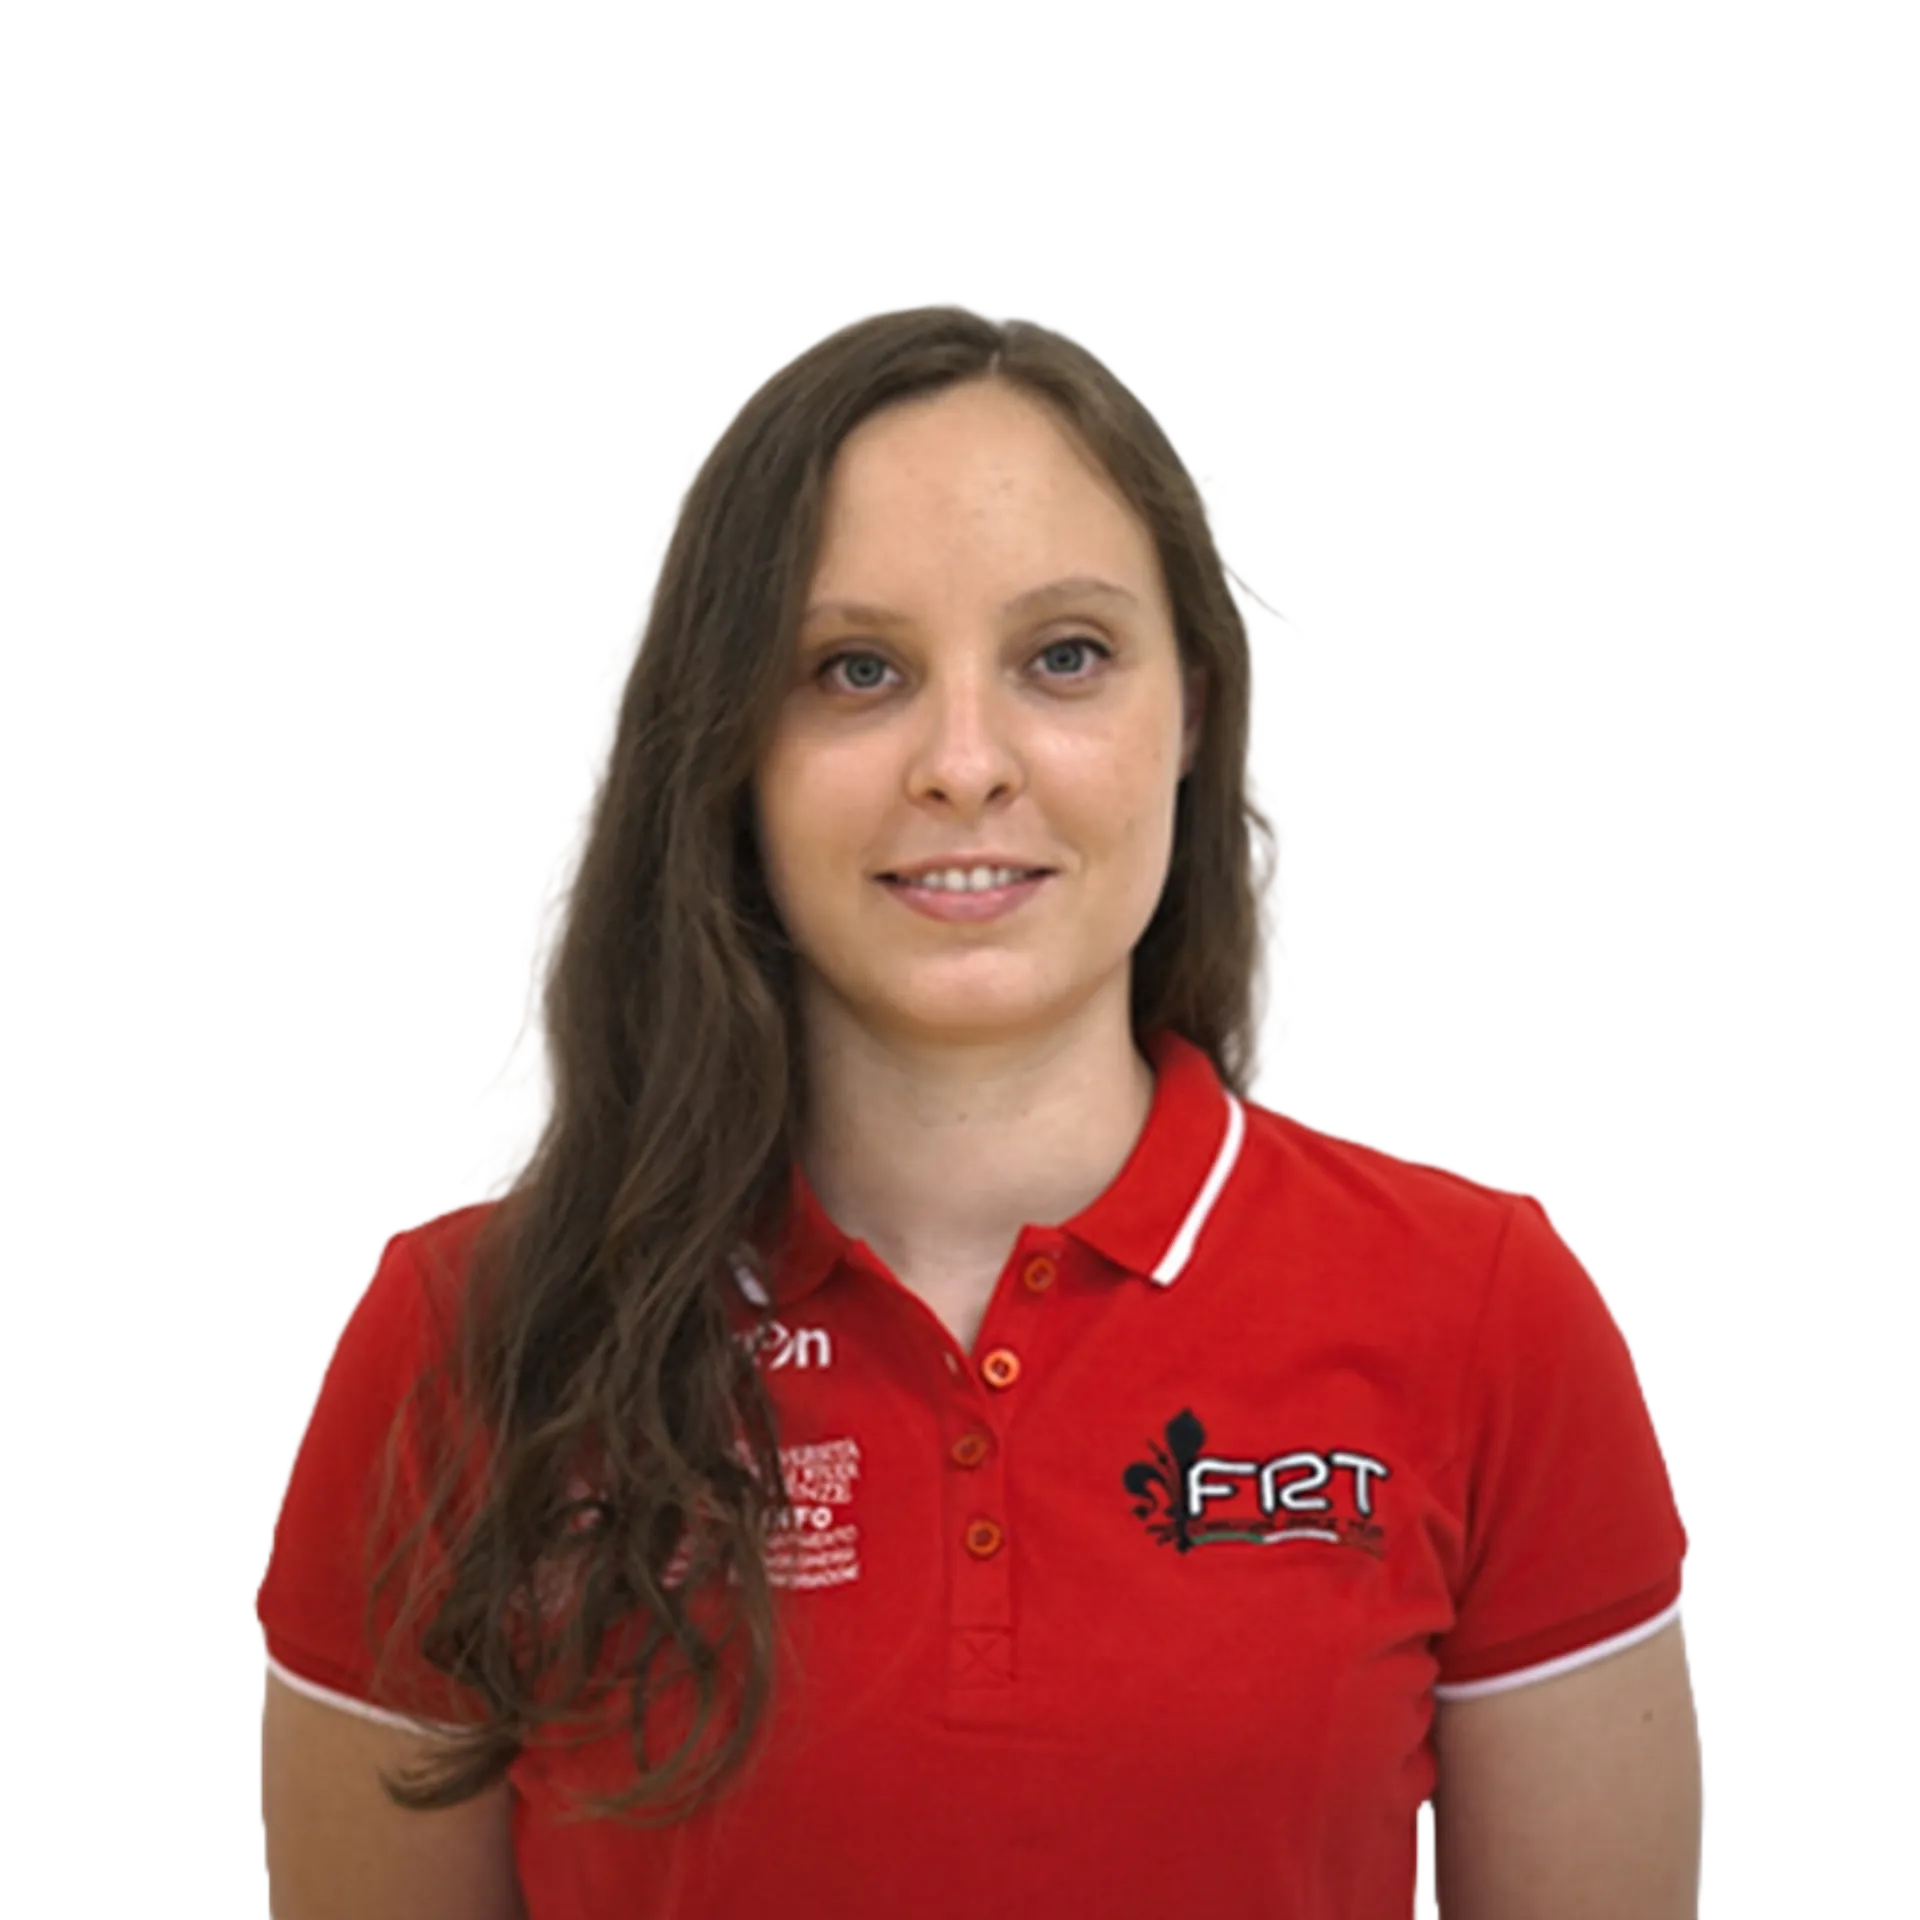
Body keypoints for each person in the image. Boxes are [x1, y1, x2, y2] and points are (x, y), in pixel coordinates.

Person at [255, 304, 1698, 1918]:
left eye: (1063, 656)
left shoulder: (1485, 1314)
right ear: (728, 744)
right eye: (854, 669)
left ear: (1194, 708)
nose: (964, 763)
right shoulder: (468, 1341)